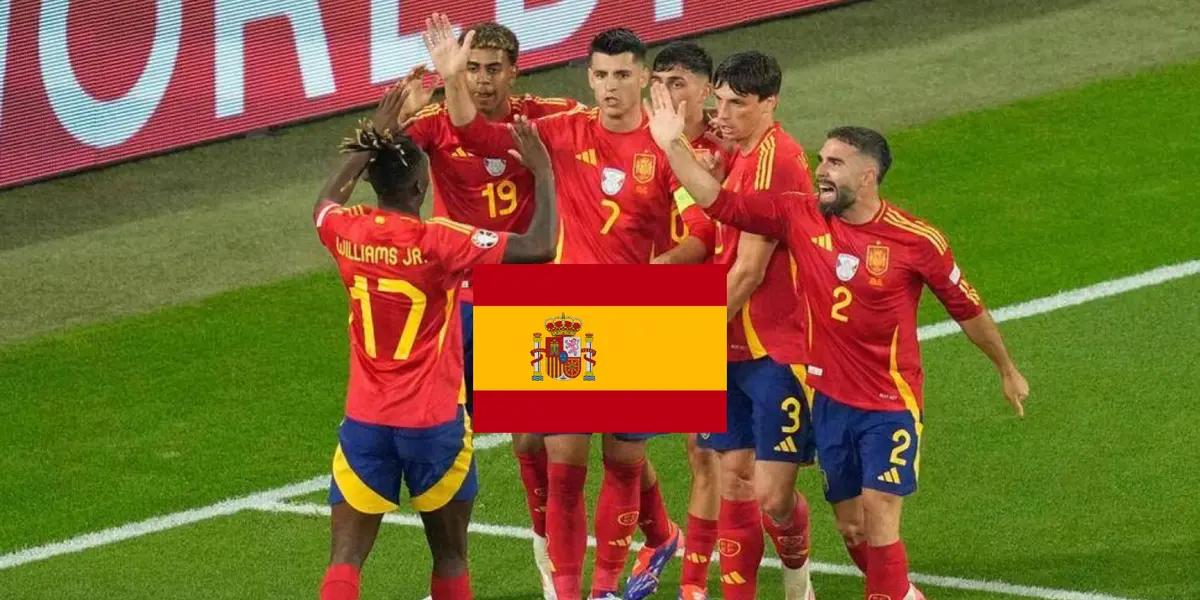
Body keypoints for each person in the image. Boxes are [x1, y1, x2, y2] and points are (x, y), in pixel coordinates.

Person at [647, 89, 1031, 600]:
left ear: (867, 176)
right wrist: (674, 146)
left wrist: (1006, 367)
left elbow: (968, 308)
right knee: (852, 528)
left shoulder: (916, 241)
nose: (820, 171)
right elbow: (723, 203)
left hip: (889, 405)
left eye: (834, 163)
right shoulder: (800, 216)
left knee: (880, 516)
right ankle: (901, 592)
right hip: (829, 403)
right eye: (820, 160)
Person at [425, 15, 712, 599]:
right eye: (601, 74)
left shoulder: (666, 147)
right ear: (588, 77)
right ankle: (566, 588)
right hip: (564, 314)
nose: (611, 86)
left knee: (625, 462)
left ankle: (607, 586)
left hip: (646, 312)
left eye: (623, 75)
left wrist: (648, 277)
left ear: (643, 80)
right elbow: (478, 140)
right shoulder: (562, 132)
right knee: (562, 466)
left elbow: (704, 234)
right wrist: (453, 80)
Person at [314, 81, 559, 600]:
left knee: (345, 560)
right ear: (421, 187)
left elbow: (325, 199)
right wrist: (543, 172)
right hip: (433, 423)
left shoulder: (346, 231)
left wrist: (372, 138)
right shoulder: (440, 241)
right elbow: (540, 247)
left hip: (366, 420)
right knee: (449, 556)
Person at [399, 22, 580, 598]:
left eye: (491, 68)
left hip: (531, 299)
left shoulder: (541, 115)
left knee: (541, 444)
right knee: (450, 442)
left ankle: (553, 562)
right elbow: (380, 151)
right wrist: (399, 113)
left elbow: (600, 122)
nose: (481, 79)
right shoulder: (435, 123)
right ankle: (448, 577)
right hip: (461, 302)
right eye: (470, 68)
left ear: (514, 71)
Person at [671, 51, 820, 600]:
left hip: (774, 348)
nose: (724, 113)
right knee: (732, 474)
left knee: (772, 496)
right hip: (731, 345)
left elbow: (749, 272)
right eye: (722, 101)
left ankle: (798, 576)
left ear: (769, 103)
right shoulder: (741, 153)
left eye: (738, 103)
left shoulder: (776, 161)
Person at [637, 40, 724, 600]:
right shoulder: (633, 138)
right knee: (619, 437)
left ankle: (693, 586)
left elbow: (708, 236)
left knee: (707, 454)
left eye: (679, 84)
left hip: (708, 308)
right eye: (659, 81)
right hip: (646, 303)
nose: (666, 94)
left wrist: (653, 269)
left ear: (706, 90)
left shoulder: (725, 146)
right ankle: (660, 532)